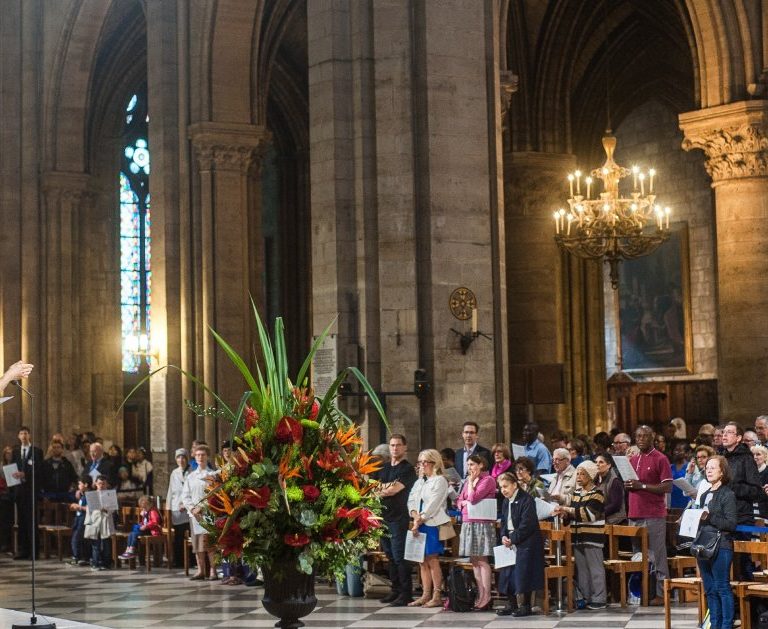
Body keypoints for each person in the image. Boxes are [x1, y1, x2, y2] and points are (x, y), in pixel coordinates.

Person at [624, 425, 672, 603]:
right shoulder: (633, 459)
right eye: (638, 436)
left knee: (657, 555)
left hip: (653, 514)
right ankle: (642, 591)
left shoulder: (661, 458)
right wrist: (629, 485)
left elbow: (667, 486)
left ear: (653, 437)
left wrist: (641, 486)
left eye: (645, 436)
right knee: (638, 556)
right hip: (634, 512)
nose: (641, 439)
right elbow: (631, 484)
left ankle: (661, 593)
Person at [554, 460, 607, 610]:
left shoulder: (597, 494)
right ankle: (585, 597)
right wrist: (564, 514)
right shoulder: (576, 494)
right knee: (582, 570)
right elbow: (574, 514)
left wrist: (568, 510)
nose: (578, 477)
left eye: (582, 474)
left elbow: (588, 514)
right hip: (577, 536)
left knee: (595, 569)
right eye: (577, 474)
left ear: (591, 476)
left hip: (592, 537)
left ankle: (600, 598)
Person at [693, 455, 737, 629]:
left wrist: (709, 516)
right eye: (707, 468)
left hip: (721, 545)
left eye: (713, 467)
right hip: (703, 545)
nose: (708, 470)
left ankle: (726, 625)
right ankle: (714, 625)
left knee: (722, 587)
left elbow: (731, 524)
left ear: (722, 471)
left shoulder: (728, 494)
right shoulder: (704, 494)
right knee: (710, 589)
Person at [374, 434, 417, 607]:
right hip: (383, 516)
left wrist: (383, 488)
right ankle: (395, 590)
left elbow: (394, 490)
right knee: (390, 556)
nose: (395, 448)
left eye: (398, 445)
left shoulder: (407, 469)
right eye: (392, 445)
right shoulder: (383, 468)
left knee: (400, 556)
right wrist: (385, 487)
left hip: (399, 517)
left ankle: (406, 593)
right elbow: (372, 487)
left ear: (405, 447)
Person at [495, 472, 544, 617]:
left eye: (506, 486)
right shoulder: (506, 501)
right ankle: (512, 604)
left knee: (524, 573)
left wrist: (513, 538)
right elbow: (504, 521)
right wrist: (503, 536)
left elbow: (527, 524)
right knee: (507, 574)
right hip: (510, 541)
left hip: (526, 542)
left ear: (514, 485)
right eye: (501, 487)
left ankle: (526, 605)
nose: (503, 490)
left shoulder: (526, 500)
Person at [407, 449, 450, 608]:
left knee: (432, 559)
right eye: (420, 462)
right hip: (419, 522)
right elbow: (411, 499)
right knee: (421, 560)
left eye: (425, 462)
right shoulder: (420, 481)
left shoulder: (440, 480)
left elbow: (433, 504)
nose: (421, 465)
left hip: (431, 523)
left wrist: (419, 520)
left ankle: (437, 595)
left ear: (434, 463)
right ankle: (425, 594)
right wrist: (414, 515)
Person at [456, 454, 497, 610]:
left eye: (472, 464)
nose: (470, 468)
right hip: (468, 522)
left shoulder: (488, 480)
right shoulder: (468, 481)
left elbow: (473, 498)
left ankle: (487, 595)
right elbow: (459, 500)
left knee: (482, 560)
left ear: (481, 465)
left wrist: (472, 485)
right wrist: (463, 502)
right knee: (474, 561)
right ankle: (480, 594)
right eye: (468, 465)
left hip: (481, 523)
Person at [182, 444, 218, 580]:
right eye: (198, 455)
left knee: (210, 543)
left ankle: (213, 570)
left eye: (203, 455)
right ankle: (200, 570)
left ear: (207, 456)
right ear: (194, 457)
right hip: (195, 515)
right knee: (197, 544)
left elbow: (214, 494)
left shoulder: (212, 475)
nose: (200, 457)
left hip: (208, 513)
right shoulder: (191, 476)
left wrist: (202, 507)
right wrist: (192, 508)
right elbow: (185, 496)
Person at [12, 426, 44, 560]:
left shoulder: (36, 451)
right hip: (19, 491)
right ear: (18, 436)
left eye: (26, 433)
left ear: (29, 435)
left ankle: (34, 551)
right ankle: (23, 550)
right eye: (21, 433)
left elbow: (39, 470)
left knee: (31, 521)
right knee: (21, 522)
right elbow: (12, 468)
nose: (24, 436)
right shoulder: (15, 451)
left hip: (31, 490)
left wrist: (25, 474)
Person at [83, 474, 117, 570]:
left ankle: (106, 563)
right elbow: (89, 509)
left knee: (106, 543)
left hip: (105, 519)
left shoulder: (110, 494)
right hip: (95, 521)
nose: (101, 485)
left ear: (107, 484)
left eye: (103, 484)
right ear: (96, 484)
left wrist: (105, 509)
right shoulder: (92, 495)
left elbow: (113, 508)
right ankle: (95, 563)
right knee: (95, 543)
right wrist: (88, 522)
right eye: (99, 483)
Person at [166, 448, 190, 568]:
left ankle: (191, 560)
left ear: (187, 459)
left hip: (189, 508)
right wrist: (168, 507)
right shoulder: (174, 472)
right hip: (176, 509)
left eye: (183, 457)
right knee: (178, 536)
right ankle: (179, 561)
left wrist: (185, 504)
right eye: (178, 457)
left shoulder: (192, 471)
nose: (181, 460)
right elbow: (171, 490)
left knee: (190, 536)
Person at [119, 495, 162, 560]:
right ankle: (128, 549)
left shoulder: (153, 511)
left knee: (134, 534)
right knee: (131, 534)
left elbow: (155, 522)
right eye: (143, 507)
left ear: (150, 504)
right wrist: (141, 524)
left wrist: (146, 526)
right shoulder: (146, 512)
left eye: (145, 507)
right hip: (146, 529)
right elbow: (144, 521)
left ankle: (132, 550)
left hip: (152, 531)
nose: (144, 509)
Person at [595, 452, 626, 524]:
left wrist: (598, 514)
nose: (597, 464)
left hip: (616, 522)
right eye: (596, 462)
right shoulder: (596, 480)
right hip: (602, 520)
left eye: (601, 462)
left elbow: (615, 505)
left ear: (609, 465)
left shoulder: (615, 481)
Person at [68, 475, 91, 565]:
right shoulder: (82, 494)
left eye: (80, 484)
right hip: (78, 518)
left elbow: (90, 508)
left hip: (84, 518)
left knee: (77, 538)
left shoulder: (90, 495)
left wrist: (79, 507)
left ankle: (77, 557)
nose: (78, 486)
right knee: (77, 537)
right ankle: (80, 557)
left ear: (86, 484)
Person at [670, 439, 693, 509]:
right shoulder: (670, 467)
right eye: (675, 450)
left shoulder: (690, 466)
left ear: (686, 453)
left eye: (679, 450)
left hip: (686, 500)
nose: (676, 452)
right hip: (672, 500)